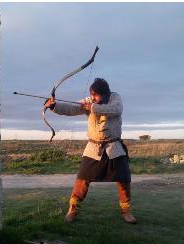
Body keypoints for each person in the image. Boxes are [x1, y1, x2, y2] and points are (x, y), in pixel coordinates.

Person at [44, 78, 137, 224]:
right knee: (82, 179)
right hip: (94, 147)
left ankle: (126, 211)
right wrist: (54, 106)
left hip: (114, 147)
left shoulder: (115, 98)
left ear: (105, 94)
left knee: (124, 179)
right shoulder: (89, 100)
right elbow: (72, 108)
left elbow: (116, 110)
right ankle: (73, 209)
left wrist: (93, 107)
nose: (93, 98)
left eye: (96, 95)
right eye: (92, 94)